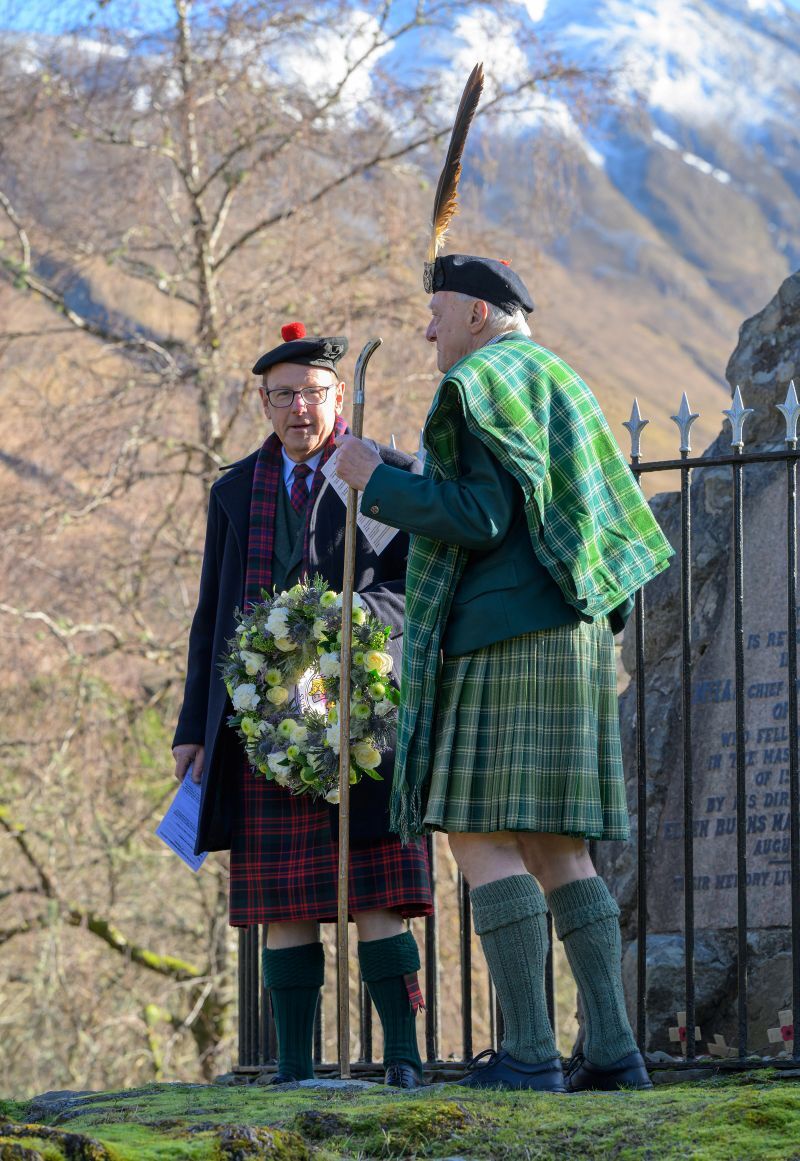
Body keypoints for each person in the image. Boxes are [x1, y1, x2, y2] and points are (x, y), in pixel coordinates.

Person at [334, 254, 673, 1093]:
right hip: (575, 627)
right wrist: (417, 471)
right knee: (561, 846)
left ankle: (528, 1053)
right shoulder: (558, 378)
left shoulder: (478, 381)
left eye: (437, 310)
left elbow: (481, 517)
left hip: (505, 631)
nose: (427, 327)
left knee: (481, 834)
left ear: (479, 313)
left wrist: (375, 482)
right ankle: (613, 1051)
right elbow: (525, 500)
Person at [173, 322, 433, 1090]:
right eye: (283, 395)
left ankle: (405, 1061)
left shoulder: (383, 475)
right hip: (261, 723)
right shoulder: (233, 491)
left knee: (377, 890)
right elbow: (211, 615)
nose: (298, 409)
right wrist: (194, 727)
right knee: (285, 902)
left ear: (339, 396)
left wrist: (348, 620)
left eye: (313, 394)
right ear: (263, 401)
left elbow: (414, 591)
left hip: (365, 715)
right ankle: (292, 1070)